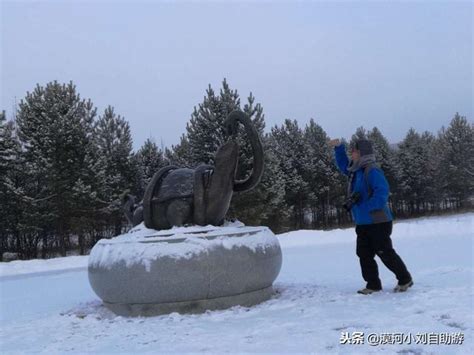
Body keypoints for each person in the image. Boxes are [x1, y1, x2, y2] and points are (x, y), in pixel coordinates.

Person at [329, 138, 413, 295]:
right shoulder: (355, 171)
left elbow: (382, 194)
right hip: (363, 222)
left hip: (378, 221)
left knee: (385, 252)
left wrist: (363, 206)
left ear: (362, 153)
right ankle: (373, 284)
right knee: (364, 254)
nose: (351, 153)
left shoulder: (372, 171)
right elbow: (343, 165)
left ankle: (405, 279)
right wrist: (339, 148)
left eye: (353, 151)